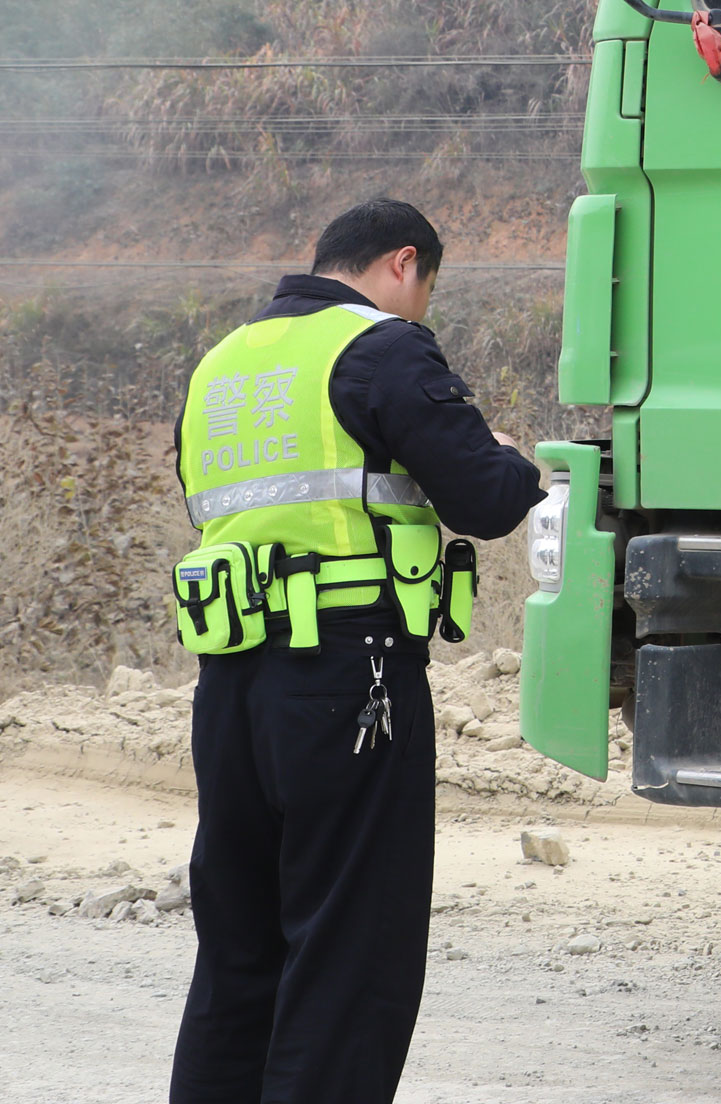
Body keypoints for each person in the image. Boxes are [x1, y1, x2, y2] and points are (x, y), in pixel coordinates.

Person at [168, 198, 544, 1104]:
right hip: (350, 679)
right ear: (401, 264)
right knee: (348, 955)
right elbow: (486, 500)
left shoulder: (220, 366)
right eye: (423, 294)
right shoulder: (379, 346)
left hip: (230, 689)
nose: (419, 315)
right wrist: (513, 458)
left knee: (239, 954)